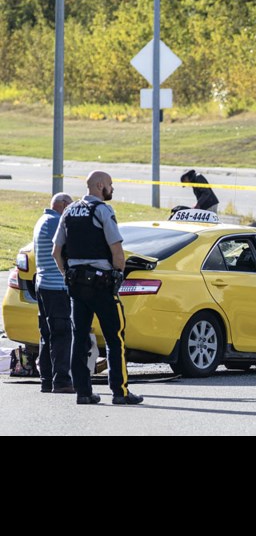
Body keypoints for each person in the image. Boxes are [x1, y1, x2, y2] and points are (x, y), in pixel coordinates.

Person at [52, 170, 143, 406]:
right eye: (110, 185)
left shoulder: (69, 211)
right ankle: (120, 392)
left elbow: (56, 251)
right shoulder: (103, 210)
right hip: (102, 284)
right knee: (115, 339)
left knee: (79, 338)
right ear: (100, 185)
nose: (112, 189)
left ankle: (83, 392)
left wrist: (67, 275)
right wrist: (117, 277)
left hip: (76, 285)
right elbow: (117, 251)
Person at [33, 192, 75, 394]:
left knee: (47, 334)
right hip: (56, 286)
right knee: (62, 334)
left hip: (43, 285)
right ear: (64, 205)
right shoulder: (56, 222)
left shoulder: (43, 219)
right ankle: (61, 381)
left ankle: (47, 380)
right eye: (71, 207)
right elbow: (66, 249)